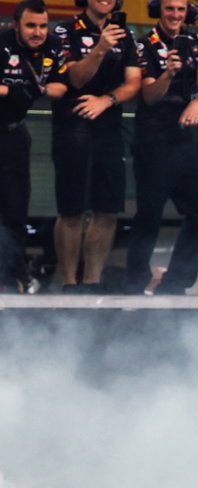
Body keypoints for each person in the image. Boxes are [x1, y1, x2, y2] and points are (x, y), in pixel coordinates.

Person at [48, 0, 140, 293]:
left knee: (108, 209)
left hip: (109, 127)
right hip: (72, 125)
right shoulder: (64, 31)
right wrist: (100, 48)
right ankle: (69, 283)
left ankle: (92, 283)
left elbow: (134, 82)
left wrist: (107, 100)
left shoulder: (124, 33)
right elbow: (75, 78)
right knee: (72, 211)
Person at [127, 0, 198, 295]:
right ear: (158, 10)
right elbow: (149, 96)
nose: (175, 14)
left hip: (185, 138)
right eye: (169, 8)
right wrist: (168, 73)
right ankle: (135, 283)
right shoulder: (143, 45)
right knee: (149, 214)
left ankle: (176, 282)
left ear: (189, 12)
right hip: (152, 138)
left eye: (180, 9)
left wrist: (196, 103)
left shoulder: (195, 41)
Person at [0, 0, 63, 293]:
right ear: (16, 25)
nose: (38, 32)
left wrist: (36, 89)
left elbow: (61, 87)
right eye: (30, 26)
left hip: (14, 134)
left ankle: (11, 281)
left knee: (15, 212)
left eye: (42, 26)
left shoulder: (53, 45)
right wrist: (11, 90)